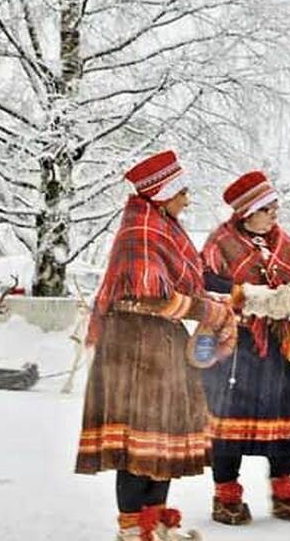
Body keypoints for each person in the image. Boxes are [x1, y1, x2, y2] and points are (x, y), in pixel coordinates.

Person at [76, 150, 237, 541]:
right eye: (182, 191)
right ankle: (133, 528)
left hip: (160, 346)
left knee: (163, 440)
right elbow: (147, 297)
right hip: (134, 350)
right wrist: (207, 312)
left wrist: (214, 306)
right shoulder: (141, 232)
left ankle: (156, 521)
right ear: (161, 193)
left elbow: (180, 288)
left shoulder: (162, 226)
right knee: (138, 442)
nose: (187, 199)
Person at [200, 170, 290, 524]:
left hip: (278, 348)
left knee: (283, 421)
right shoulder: (220, 244)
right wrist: (254, 298)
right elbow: (205, 280)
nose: (274, 216)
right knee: (229, 424)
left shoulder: (285, 243)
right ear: (246, 212)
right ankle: (226, 496)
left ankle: (283, 492)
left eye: (275, 209)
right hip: (236, 347)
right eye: (267, 209)